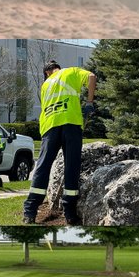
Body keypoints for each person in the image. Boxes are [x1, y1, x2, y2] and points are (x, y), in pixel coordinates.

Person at [22, 62, 97, 226]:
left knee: (43, 167)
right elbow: (92, 77)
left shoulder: (45, 85)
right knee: (71, 166)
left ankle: (30, 211)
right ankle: (69, 213)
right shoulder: (71, 71)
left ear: (47, 72)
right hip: (71, 123)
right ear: (57, 68)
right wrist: (89, 102)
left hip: (50, 126)